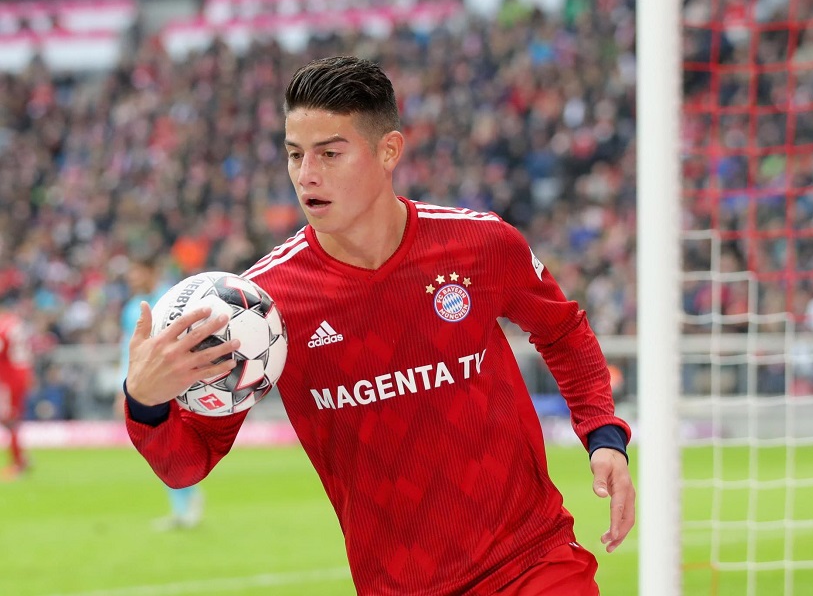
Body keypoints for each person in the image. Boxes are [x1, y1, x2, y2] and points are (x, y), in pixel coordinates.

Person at [123, 56, 635, 594]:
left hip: (533, 562)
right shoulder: (259, 308)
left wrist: (602, 434)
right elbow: (188, 463)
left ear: (389, 150)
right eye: (295, 154)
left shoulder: (482, 244)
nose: (306, 174)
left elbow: (562, 330)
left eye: (329, 153)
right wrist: (147, 403)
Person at [117, 256, 204, 529]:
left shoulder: (173, 297)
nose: (132, 278)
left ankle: (188, 501)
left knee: (173, 442)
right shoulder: (131, 308)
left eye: (137, 271)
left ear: (151, 270)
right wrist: (125, 385)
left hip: (178, 379)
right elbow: (129, 350)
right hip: (149, 383)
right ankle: (182, 507)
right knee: (160, 445)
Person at [0, 303, 34, 481]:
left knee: (9, 419)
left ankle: (18, 462)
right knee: (11, 418)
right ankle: (21, 458)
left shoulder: (3, 327)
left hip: (9, 377)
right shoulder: (17, 324)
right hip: (21, 374)